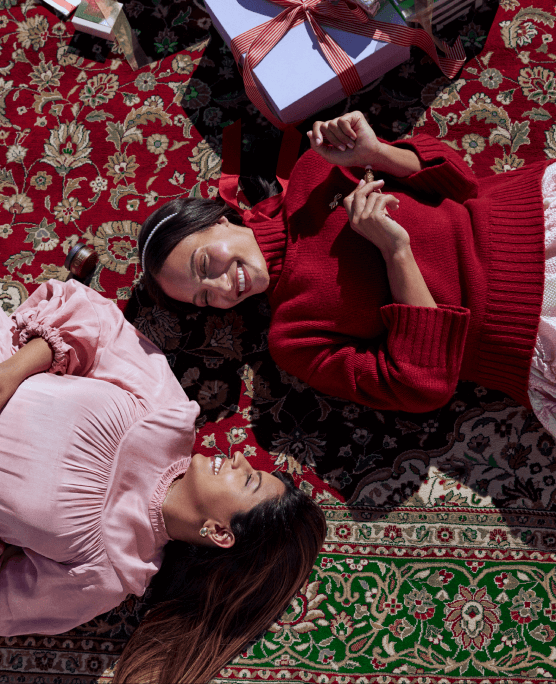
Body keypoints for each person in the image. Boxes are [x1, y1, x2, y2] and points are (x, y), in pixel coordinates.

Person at [139, 110, 556, 435]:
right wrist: (395, 252)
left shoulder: (313, 172)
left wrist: (376, 154)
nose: (221, 287)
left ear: (221, 219)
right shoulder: (294, 338)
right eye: (205, 297)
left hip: (529, 215)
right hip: (524, 328)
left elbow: (462, 182)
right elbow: (420, 386)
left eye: (203, 265)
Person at [0, 278, 326, 684]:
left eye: (249, 482)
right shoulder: (166, 413)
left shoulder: (110, 571)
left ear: (219, 532)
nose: (240, 458)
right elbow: (89, 316)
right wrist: (11, 372)